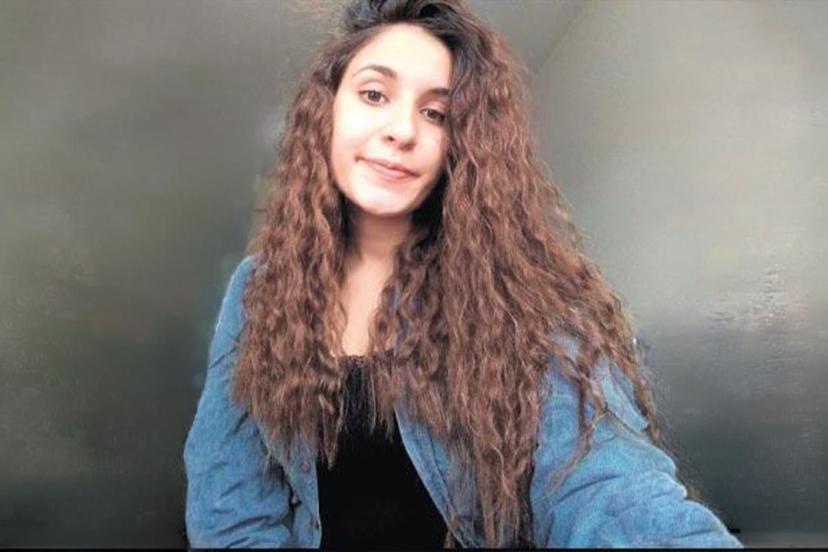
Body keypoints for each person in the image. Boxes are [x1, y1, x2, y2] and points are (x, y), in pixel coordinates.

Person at [183, 0, 743, 548]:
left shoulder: (521, 290)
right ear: (327, 111)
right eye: (374, 94)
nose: (403, 130)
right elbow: (227, 507)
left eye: (437, 113)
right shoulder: (258, 288)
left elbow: (608, 490)